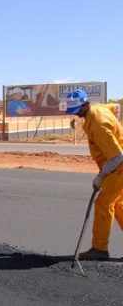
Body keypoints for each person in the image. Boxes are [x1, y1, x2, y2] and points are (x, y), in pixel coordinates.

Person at [65, 90, 123, 261]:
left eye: (77, 109)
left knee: (103, 203)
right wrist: (117, 128)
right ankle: (100, 248)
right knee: (118, 203)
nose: (75, 112)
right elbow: (117, 107)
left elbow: (117, 157)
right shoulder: (99, 108)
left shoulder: (98, 123)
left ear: (85, 104)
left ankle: (100, 249)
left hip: (118, 167)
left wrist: (100, 177)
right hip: (114, 164)